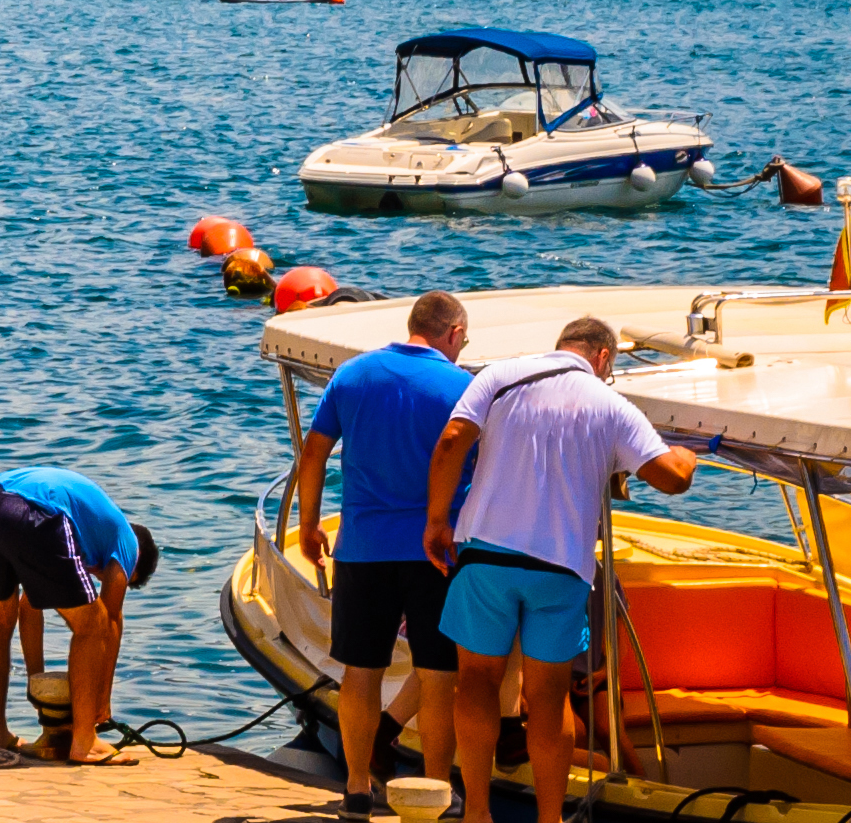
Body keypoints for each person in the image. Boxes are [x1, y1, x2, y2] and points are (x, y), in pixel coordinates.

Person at [431, 317, 699, 823]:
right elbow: (670, 479)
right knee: (548, 698)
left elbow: (451, 440)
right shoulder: (612, 405)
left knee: (478, 682)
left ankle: (477, 813)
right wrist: (684, 456)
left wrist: (436, 520)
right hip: (559, 568)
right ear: (603, 357)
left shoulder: (500, 375)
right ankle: (551, 819)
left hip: (487, 554)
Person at [293, 292, 476, 811]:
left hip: (363, 546)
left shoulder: (352, 374)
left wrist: (309, 524)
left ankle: (356, 787)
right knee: (438, 676)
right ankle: (436, 791)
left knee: (361, 671)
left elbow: (314, 452)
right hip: (437, 551)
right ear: (453, 333)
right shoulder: (463, 387)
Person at [0, 465, 156, 763]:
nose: (100, 577)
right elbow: (110, 620)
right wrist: (101, 702)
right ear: (135, 562)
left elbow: (29, 607)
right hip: (32, 512)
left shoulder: (88, 531)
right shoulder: (128, 541)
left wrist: (36, 684)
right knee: (93, 623)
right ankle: (85, 742)